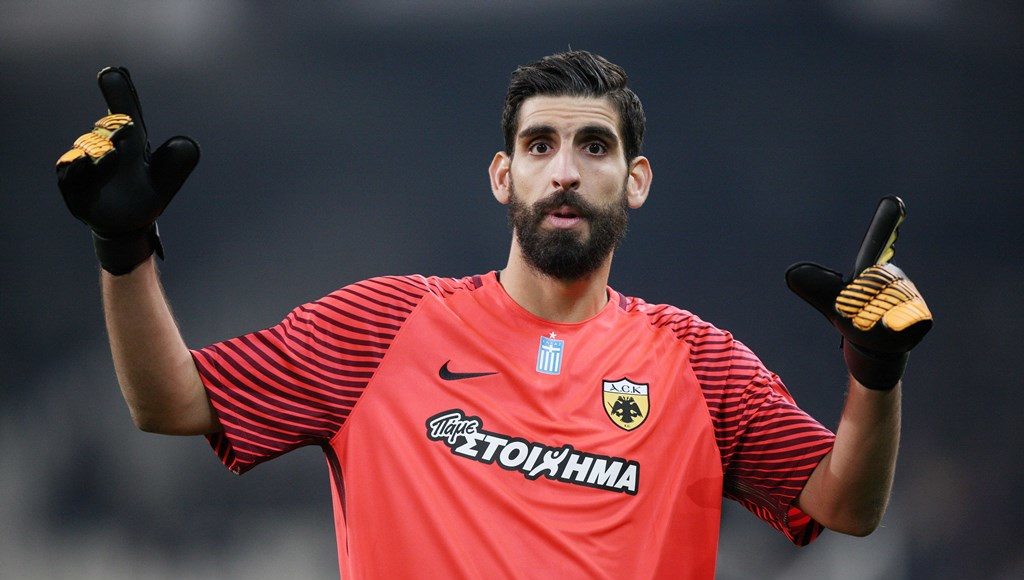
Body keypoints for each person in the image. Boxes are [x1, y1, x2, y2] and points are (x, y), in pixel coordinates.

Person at [55, 51, 932, 579]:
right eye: (539, 144)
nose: (565, 170)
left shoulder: (699, 364)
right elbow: (167, 402)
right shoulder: (379, 328)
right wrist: (123, 250)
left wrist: (875, 375)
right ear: (503, 176)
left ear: (635, 180)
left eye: (594, 146)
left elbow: (846, 506)